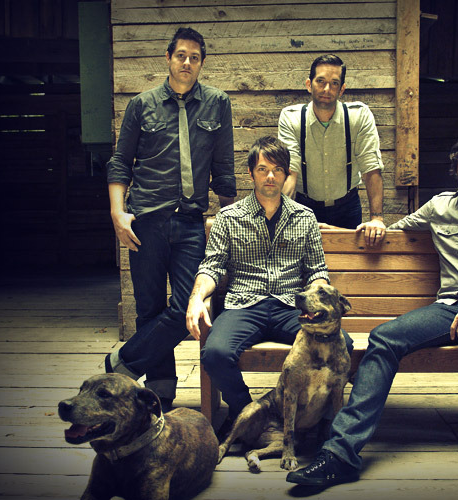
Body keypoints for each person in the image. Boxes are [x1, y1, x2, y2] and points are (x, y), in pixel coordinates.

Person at [287, 133, 458, 487]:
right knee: (384, 338)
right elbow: (391, 232)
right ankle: (340, 454)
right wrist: (359, 228)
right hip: (451, 307)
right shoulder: (439, 206)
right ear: (455, 170)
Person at [105, 27, 236, 413]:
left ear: (202, 62)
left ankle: (122, 364)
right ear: (168, 58)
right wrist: (117, 213)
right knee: (148, 309)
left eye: (194, 57)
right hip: (145, 221)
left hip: (191, 222)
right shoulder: (141, 105)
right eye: (181, 55)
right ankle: (160, 395)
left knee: (185, 308)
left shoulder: (217, 103)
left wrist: (227, 216)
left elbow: (224, 167)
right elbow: (120, 162)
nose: (187, 63)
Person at [186, 136, 354, 435]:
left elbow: (316, 270)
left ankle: (319, 419)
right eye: (263, 169)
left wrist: (319, 298)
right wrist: (196, 298)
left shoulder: (304, 217)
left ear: (287, 174)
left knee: (345, 344)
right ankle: (248, 414)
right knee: (215, 354)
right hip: (244, 306)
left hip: (291, 307)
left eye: (277, 170)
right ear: (251, 174)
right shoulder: (229, 217)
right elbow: (212, 266)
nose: (270, 176)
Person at [278, 53, 386, 245]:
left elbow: (371, 169)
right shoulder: (291, 118)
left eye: (334, 83)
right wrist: (278, 218)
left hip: (347, 206)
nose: (326, 89)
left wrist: (377, 218)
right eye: (320, 81)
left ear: (342, 89)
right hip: (304, 205)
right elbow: (291, 174)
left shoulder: (358, 116)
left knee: (350, 261)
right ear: (309, 84)